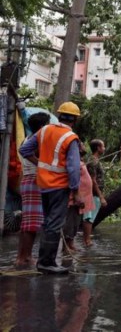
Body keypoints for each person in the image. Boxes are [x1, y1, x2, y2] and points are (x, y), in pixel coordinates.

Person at [19, 101, 83, 274]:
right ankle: (47, 263)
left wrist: (40, 164)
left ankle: (43, 261)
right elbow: (73, 168)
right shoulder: (70, 138)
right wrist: (76, 192)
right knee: (54, 224)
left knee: (48, 223)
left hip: (43, 185)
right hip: (59, 187)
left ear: (59, 115)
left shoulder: (44, 130)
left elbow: (24, 150)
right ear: (75, 120)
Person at [14, 112, 51, 268]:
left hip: (28, 181)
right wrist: (43, 165)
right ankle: (24, 258)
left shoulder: (27, 139)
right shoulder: (37, 140)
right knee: (31, 224)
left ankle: (24, 256)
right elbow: (34, 157)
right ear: (42, 127)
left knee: (28, 222)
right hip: (34, 181)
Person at [63, 142, 94, 252]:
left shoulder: (79, 161)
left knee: (75, 222)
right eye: (80, 144)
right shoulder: (73, 161)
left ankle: (70, 244)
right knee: (70, 222)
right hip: (75, 197)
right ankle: (66, 246)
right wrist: (76, 195)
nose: (83, 145)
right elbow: (73, 176)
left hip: (82, 197)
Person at [84, 139, 107, 246]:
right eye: (103, 146)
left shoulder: (95, 160)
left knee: (90, 217)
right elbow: (93, 180)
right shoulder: (93, 161)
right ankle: (87, 241)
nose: (104, 148)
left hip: (95, 193)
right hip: (93, 193)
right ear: (98, 148)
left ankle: (87, 240)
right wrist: (101, 196)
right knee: (89, 217)